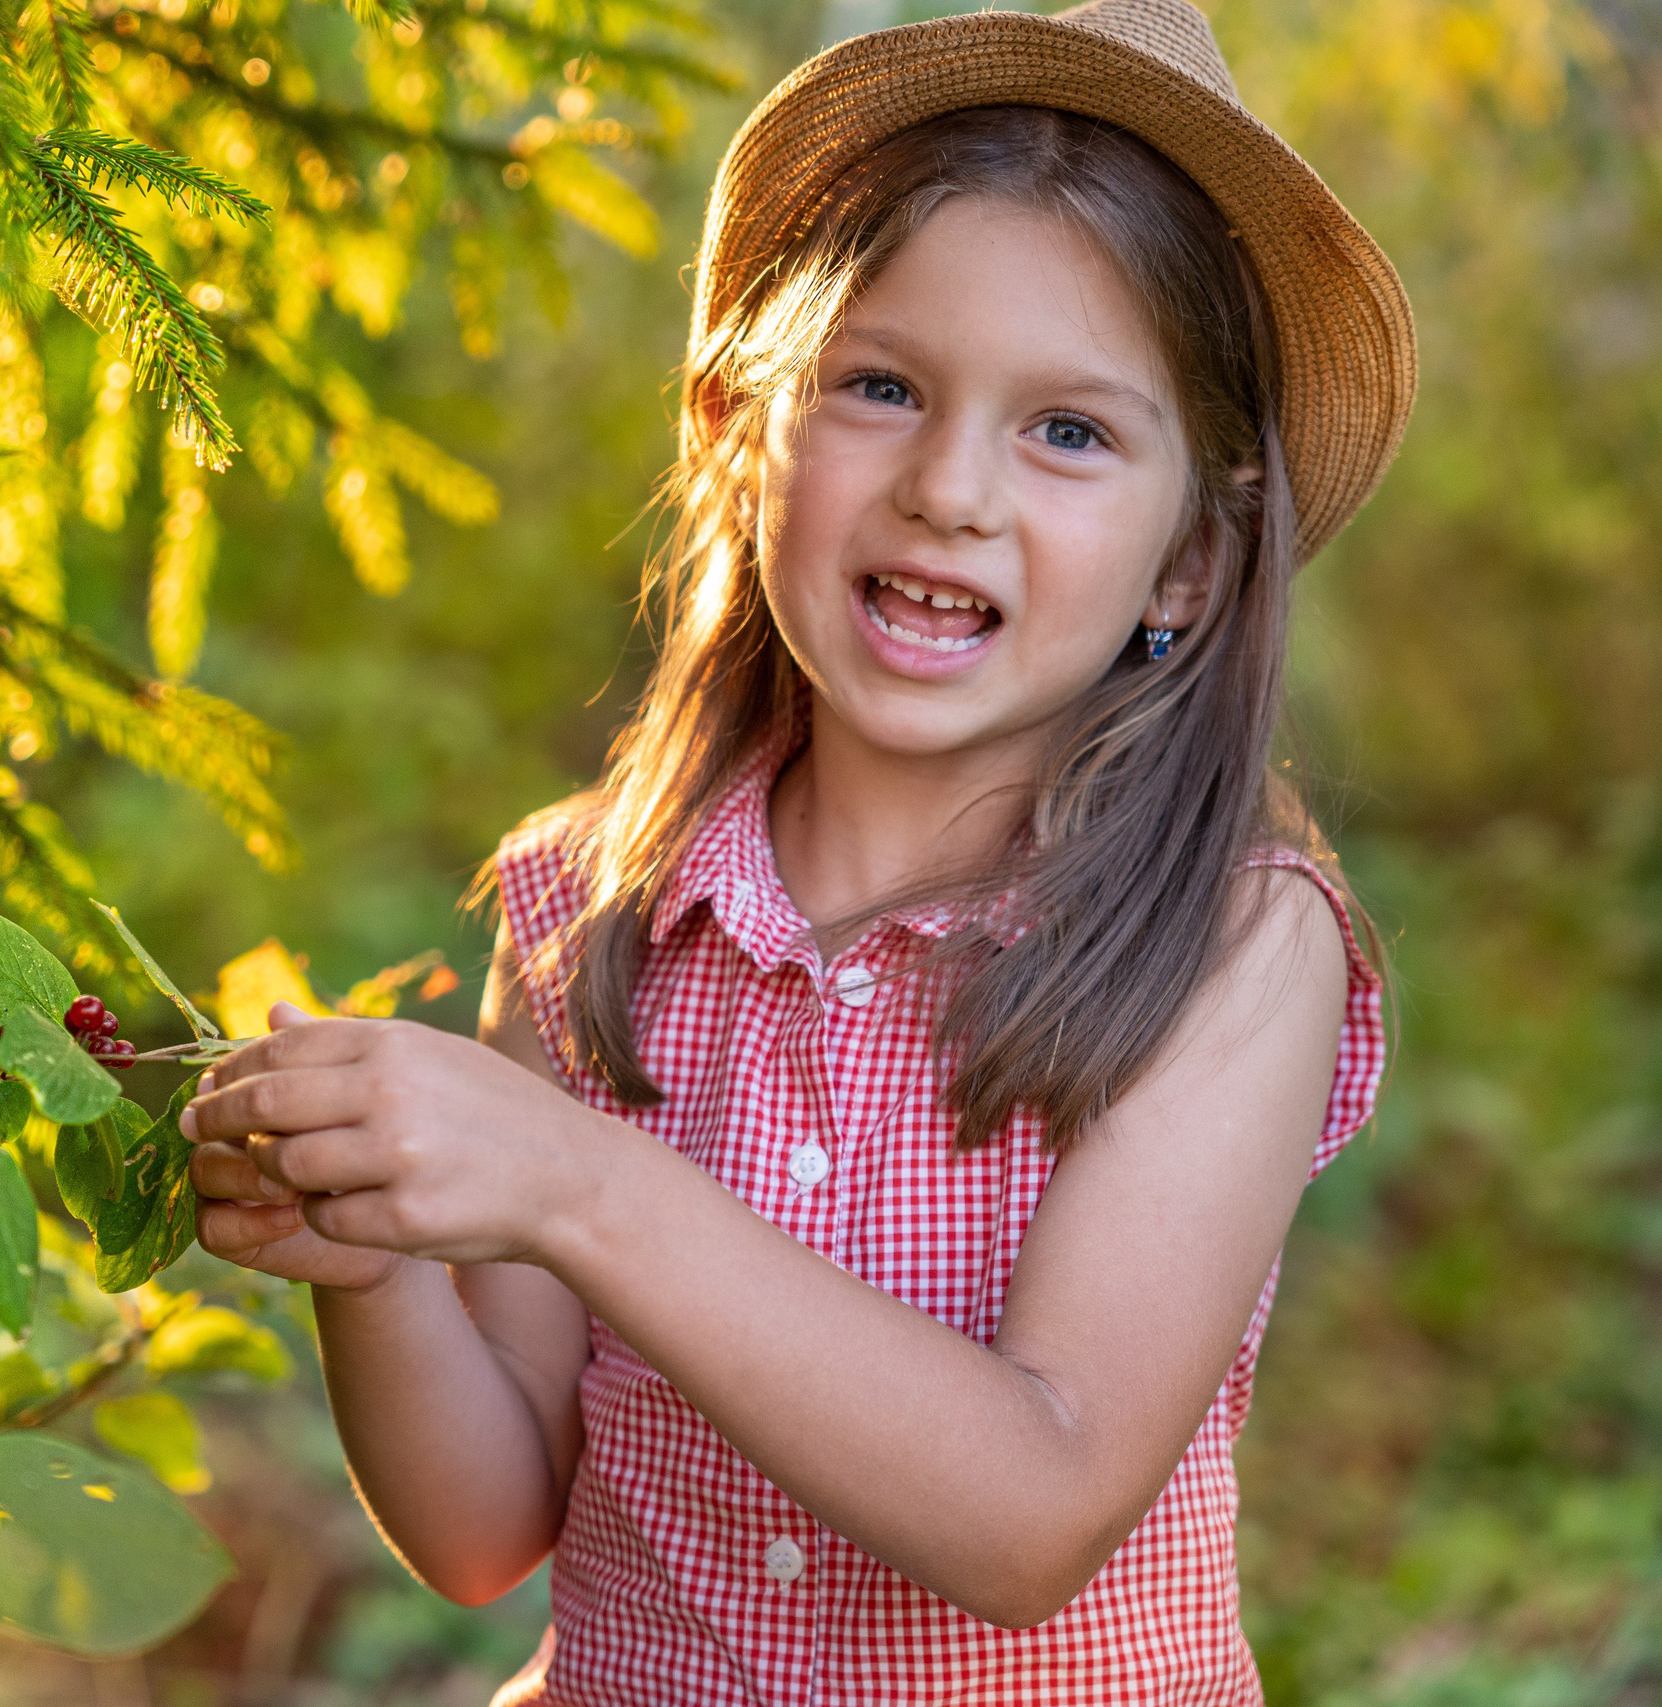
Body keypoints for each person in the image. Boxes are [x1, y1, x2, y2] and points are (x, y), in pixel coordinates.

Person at [184, 0, 1410, 1698]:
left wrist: (578, 1184)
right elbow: (485, 1528)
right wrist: (371, 1270)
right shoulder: (593, 906)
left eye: (1069, 431)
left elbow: (1031, 1511)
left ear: (1192, 562)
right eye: (882, 386)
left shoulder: (1229, 951)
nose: (950, 489)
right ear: (737, 428)